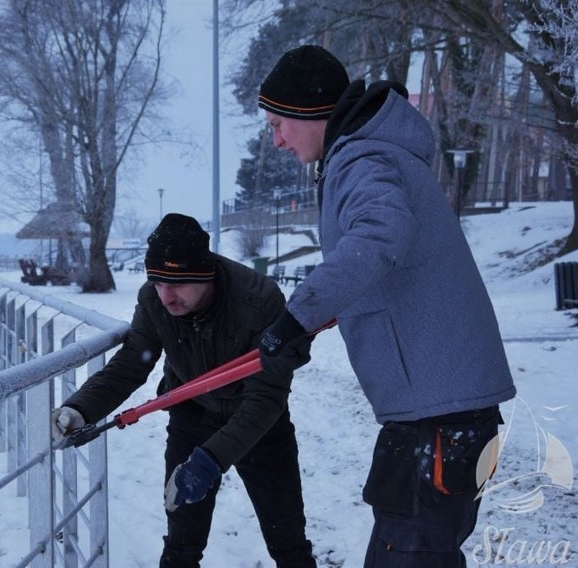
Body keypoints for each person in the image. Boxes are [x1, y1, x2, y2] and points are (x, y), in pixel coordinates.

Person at [256, 45, 517, 567]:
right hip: (440, 410)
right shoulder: (368, 154)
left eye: (280, 122)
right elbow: (382, 266)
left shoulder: (361, 157)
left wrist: (296, 316)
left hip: (439, 417)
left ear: (312, 114)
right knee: (421, 550)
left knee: (413, 552)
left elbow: (379, 236)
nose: (276, 138)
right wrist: (309, 325)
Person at [51, 213, 316, 567]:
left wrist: (210, 460)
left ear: (203, 275)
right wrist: (79, 409)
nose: (165, 296)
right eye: (157, 282)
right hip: (192, 417)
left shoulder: (258, 299)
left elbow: (267, 396)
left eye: (176, 283)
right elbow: (133, 362)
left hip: (260, 426)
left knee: (288, 542)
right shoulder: (153, 301)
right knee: (181, 544)